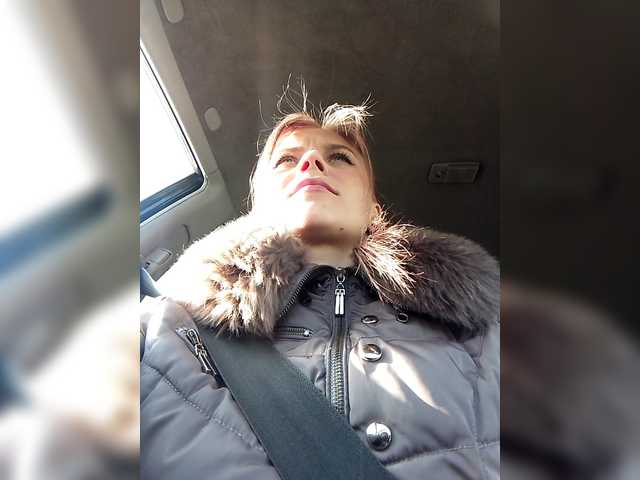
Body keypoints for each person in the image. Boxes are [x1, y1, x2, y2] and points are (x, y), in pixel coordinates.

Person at [140, 96, 499, 479]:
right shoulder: (169, 326)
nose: (311, 161)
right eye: (286, 160)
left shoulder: (487, 326)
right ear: (257, 208)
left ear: (372, 209)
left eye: (340, 157)